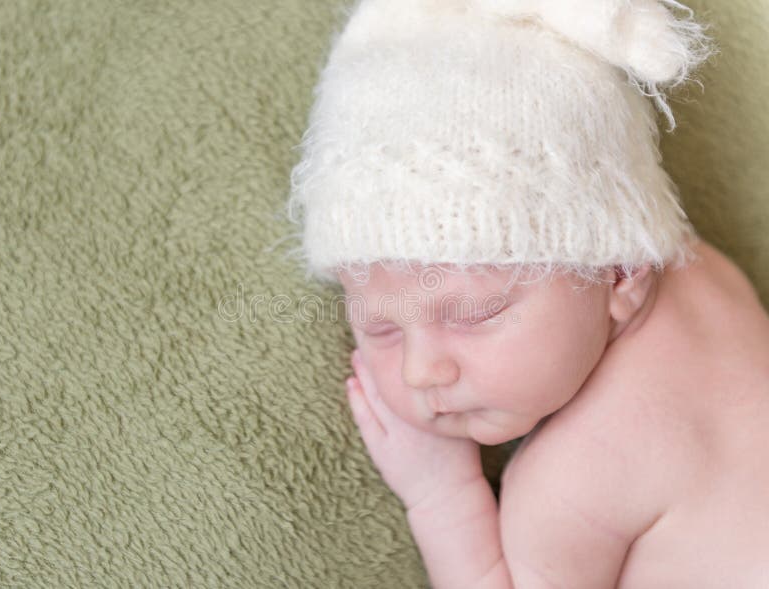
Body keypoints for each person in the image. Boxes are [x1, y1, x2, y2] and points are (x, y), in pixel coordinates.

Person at [286, 0, 769, 586]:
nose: (420, 370)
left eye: (473, 314)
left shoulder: (572, 481)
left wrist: (442, 494)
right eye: (380, 326)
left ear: (619, 271)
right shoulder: (708, 274)